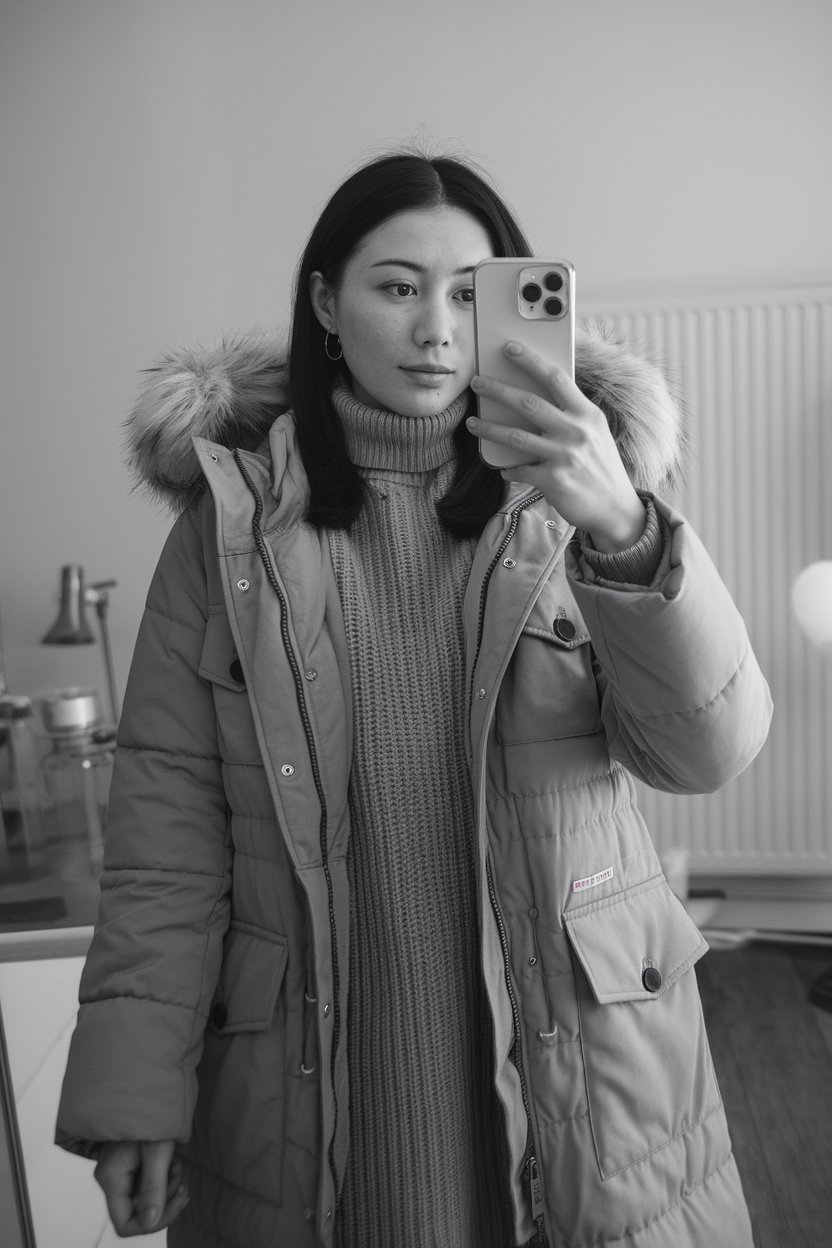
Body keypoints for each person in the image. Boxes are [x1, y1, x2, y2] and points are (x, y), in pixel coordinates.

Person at [56, 149, 772, 1248]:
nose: (436, 328)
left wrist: (622, 524)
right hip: (310, 1067)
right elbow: (167, 824)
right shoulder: (229, 528)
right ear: (325, 305)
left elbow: (705, 751)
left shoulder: (578, 497)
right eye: (396, 286)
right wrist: (133, 1095)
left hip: (575, 1062)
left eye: (467, 292)